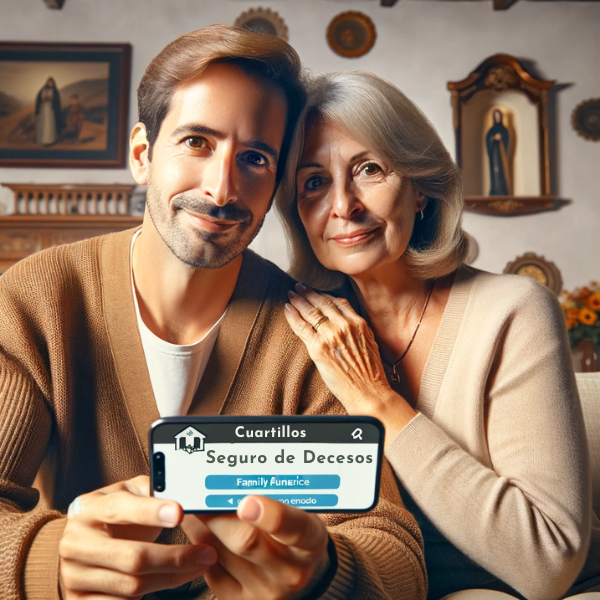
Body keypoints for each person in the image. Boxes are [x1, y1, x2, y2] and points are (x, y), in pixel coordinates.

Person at [0, 28, 427, 600]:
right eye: (197, 142)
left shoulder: (310, 332)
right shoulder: (38, 298)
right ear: (141, 154)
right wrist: (45, 560)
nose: (223, 188)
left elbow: (394, 549)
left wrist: (325, 570)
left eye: (255, 158)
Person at [278, 70, 600, 600]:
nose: (344, 206)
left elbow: (548, 562)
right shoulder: (297, 327)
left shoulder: (514, 310)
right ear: (298, 212)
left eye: (369, 170)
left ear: (421, 188)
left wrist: (376, 399)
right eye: (314, 182)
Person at [486, 108, 511, 196]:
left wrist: (501, 138)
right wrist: (493, 138)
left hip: (501, 154)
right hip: (494, 155)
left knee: (502, 172)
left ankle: (503, 190)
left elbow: (507, 141)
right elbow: (488, 140)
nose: (497, 118)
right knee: (495, 171)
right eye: (496, 116)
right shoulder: (491, 130)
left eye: (499, 116)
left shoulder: (504, 129)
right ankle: (495, 190)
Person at [35, 76, 62, 145]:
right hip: (43, 109)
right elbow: (39, 99)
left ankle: (50, 140)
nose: (50, 84)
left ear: (53, 83)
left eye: (51, 83)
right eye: (49, 82)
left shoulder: (54, 91)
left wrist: (51, 99)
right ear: (47, 83)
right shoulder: (42, 90)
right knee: (43, 124)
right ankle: (43, 141)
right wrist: (44, 98)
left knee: (50, 124)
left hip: (51, 109)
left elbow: (57, 101)